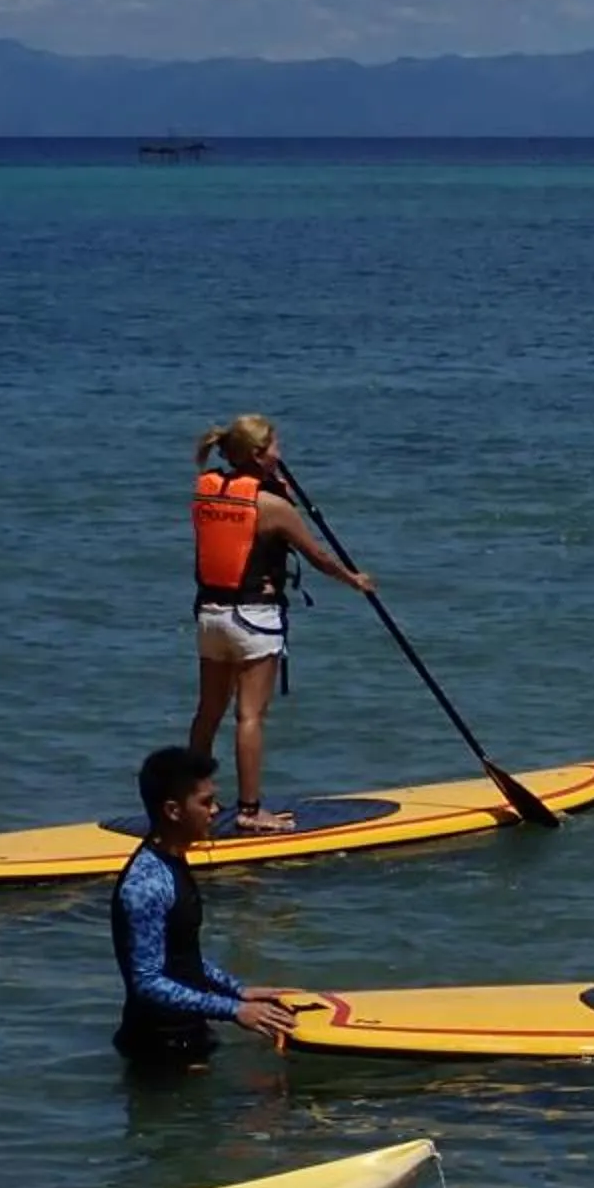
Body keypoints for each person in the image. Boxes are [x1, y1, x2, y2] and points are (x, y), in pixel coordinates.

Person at [187, 413, 376, 835]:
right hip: (254, 619)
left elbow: (236, 526)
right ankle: (252, 811)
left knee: (208, 712)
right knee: (250, 716)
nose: (281, 452)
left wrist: (270, 483)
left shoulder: (205, 491)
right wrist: (355, 580)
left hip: (210, 617)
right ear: (258, 454)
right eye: (275, 447)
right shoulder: (275, 507)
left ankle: (196, 798)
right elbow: (319, 558)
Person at [113, 744, 299, 1068]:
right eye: (205, 802)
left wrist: (239, 992)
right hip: (159, 1051)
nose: (215, 811)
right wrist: (233, 1010)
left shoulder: (172, 860)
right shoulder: (145, 885)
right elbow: (147, 981)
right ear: (173, 810)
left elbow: (182, 957)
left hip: (189, 1035)